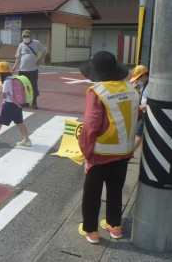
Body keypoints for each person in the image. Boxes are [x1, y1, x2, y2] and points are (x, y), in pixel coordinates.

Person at [77, 51, 140, 244]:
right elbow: (134, 118)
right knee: (115, 190)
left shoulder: (98, 92)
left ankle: (90, 230)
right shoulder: (131, 89)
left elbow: (90, 127)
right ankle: (115, 227)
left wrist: (86, 153)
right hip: (124, 152)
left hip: (100, 153)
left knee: (92, 193)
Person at [0, 61, 32, 147]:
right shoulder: (13, 78)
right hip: (17, 105)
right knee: (19, 122)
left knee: (0, 121)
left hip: (9, 105)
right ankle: (27, 140)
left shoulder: (6, 82)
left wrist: (2, 91)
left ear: (1, 73)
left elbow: (4, 96)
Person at [11, 29, 47, 109]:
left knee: (33, 86)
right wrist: (14, 68)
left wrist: (40, 59)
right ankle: (25, 102)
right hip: (22, 70)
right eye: (24, 36)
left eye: (27, 36)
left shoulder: (36, 43)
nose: (25, 37)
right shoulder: (21, 45)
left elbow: (44, 51)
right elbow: (18, 58)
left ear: (30, 36)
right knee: (23, 87)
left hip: (33, 70)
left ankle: (34, 102)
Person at [130, 65, 149, 153]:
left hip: (147, 114)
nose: (138, 80)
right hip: (144, 113)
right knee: (139, 134)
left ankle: (129, 153)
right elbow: (141, 97)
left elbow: (149, 102)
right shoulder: (145, 84)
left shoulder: (150, 85)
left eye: (139, 78)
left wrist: (139, 108)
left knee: (139, 135)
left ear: (144, 75)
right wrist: (136, 89)